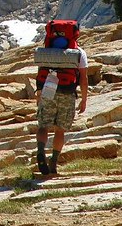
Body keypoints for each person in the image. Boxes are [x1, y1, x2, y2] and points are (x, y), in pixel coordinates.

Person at [35, 21, 88, 176]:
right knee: (60, 129)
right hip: (67, 91)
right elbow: (83, 78)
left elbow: (41, 71)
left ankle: (40, 151)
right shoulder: (78, 52)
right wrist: (84, 99)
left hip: (48, 89)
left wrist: (39, 93)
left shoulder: (47, 50)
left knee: (43, 126)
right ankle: (54, 161)